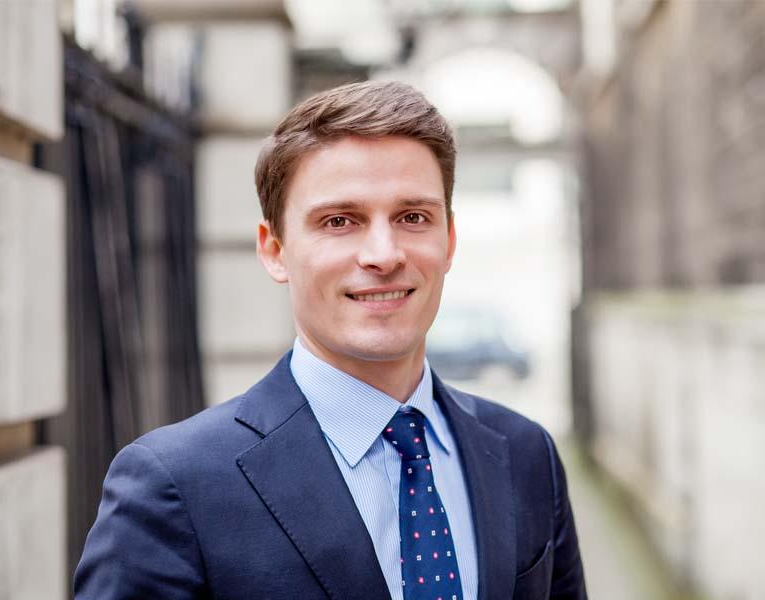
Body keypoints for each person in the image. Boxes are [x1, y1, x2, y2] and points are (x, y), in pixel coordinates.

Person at [74, 81, 587, 599]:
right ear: (274, 250)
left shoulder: (527, 456)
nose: (383, 255)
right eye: (340, 221)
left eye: (413, 217)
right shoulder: (175, 486)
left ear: (449, 240)